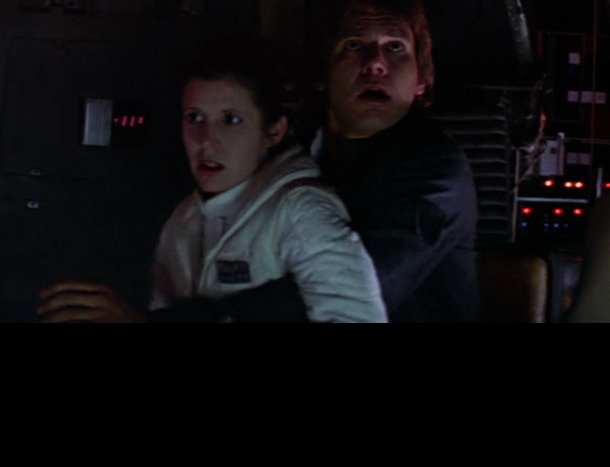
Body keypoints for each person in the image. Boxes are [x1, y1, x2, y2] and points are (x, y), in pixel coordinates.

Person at [38, 39, 386, 323]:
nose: (206, 140)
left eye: (230, 120)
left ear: (273, 131)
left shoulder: (299, 211)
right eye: (194, 118)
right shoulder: (182, 222)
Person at [312, 0, 483, 323]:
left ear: (421, 80)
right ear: (324, 72)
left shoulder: (437, 168)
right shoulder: (295, 149)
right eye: (354, 45)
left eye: (395, 47)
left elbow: (356, 293)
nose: (375, 63)